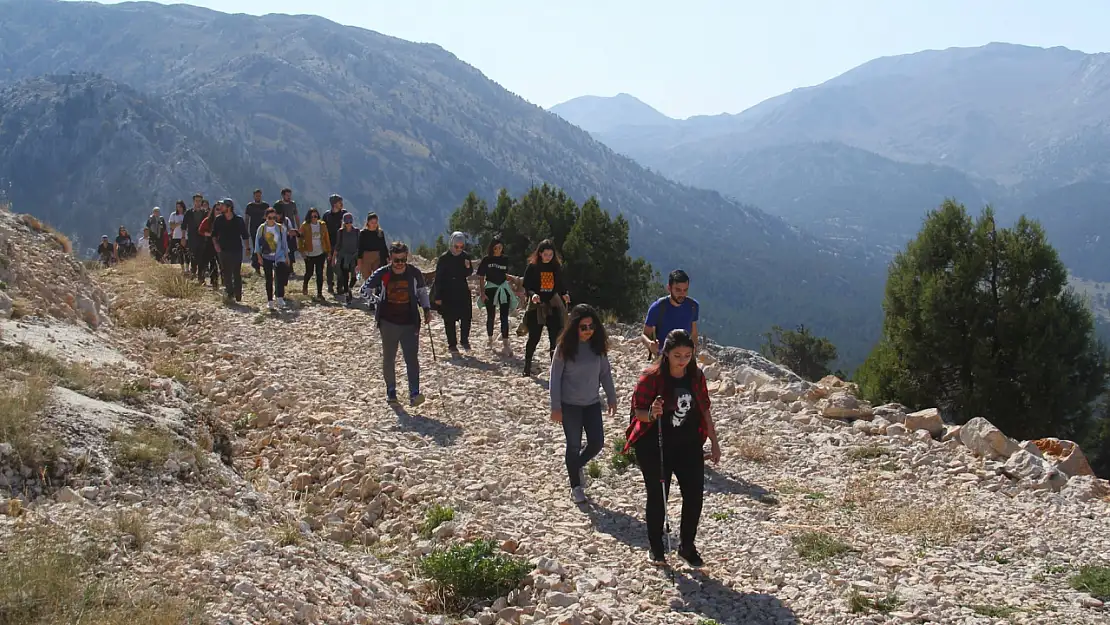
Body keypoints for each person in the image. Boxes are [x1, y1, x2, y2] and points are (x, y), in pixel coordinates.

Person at [624, 329, 721, 567]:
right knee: (658, 497)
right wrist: (651, 413)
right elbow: (638, 413)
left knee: (695, 496)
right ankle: (656, 547)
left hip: (688, 443)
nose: (683, 360)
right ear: (666, 353)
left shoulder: (696, 376)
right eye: (678, 355)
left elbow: (704, 409)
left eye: (688, 355)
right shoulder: (651, 376)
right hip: (654, 444)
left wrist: (714, 442)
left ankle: (687, 546)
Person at [550, 304, 617, 504]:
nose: (588, 331)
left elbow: (605, 373)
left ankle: (576, 465)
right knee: (573, 445)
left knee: (597, 443)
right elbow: (554, 377)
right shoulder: (564, 348)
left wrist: (611, 397)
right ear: (574, 328)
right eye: (583, 327)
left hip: (592, 403)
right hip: (569, 405)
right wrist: (555, 407)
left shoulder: (598, 347)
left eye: (591, 326)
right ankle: (575, 486)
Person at [364, 241, 431, 407]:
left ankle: (414, 393)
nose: (400, 264)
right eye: (396, 260)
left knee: (412, 359)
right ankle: (391, 391)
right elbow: (365, 289)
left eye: (403, 260)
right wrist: (378, 302)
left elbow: (422, 292)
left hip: (410, 322)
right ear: (390, 259)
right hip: (388, 323)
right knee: (389, 358)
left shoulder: (414, 273)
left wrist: (427, 309)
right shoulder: (382, 274)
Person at [521, 239, 569, 376]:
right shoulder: (532, 267)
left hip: (552, 305)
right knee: (534, 337)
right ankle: (527, 366)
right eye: (546, 254)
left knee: (554, 338)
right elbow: (526, 286)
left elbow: (560, 284)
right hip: (537, 307)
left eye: (551, 254)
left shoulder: (556, 267)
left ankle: (555, 370)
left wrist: (564, 294)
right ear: (540, 253)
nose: (548, 257)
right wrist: (533, 295)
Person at [641, 269, 699, 359]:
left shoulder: (693, 306)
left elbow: (694, 333)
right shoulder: (658, 307)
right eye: (678, 290)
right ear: (669, 288)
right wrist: (650, 344)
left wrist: (693, 353)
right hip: (664, 358)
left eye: (685, 290)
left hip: (685, 359)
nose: (682, 294)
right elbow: (644, 335)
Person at [432, 231, 474, 355]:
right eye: (457, 247)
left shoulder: (465, 256)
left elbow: (468, 273)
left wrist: (468, 268)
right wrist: (438, 296)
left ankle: (464, 340)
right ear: (451, 244)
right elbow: (438, 278)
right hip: (447, 291)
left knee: (466, 316)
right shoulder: (444, 258)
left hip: (462, 289)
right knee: (449, 319)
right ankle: (452, 344)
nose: (459, 249)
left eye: (462, 247)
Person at [477, 236, 517, 354]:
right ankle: (490, 339)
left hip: (503, 289)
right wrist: (482, 292)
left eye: (500, 247)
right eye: (496, 248)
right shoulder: (486, 260)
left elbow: (504, 274)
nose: (498, 250)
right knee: (491, 315)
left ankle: (505, 342)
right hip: (490, 289)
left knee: (504, 317)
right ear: (492, 248)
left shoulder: (505, 259)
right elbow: (481, 277)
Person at [212, 198, 250, 303]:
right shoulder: (219, 219)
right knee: (226, 272)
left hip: (236, 249)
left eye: (223, 206)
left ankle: (238, 294)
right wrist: (216, 245)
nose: (221, 207)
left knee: (236, 272)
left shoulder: (238, 220)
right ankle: (229, 293)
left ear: (229, 208)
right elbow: (214, 234)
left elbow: (245, 235)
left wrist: (247, 248)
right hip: (223, 250)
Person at [254, 206, 291, 309]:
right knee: (268, 278)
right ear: (266, 217)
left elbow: (284, 243)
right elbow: (257, 244)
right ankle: (270, 300)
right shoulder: (261, 228)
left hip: (279, 256)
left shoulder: (280, 228)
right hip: (266, 256)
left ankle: (280, 297)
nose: (272, 220)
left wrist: (287, 256)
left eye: (274, 217)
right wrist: (259, 257)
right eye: (270, 217)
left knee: (280, 277)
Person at [298, 207, 331, 299]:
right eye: (312, 216)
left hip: (320, 252)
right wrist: (302, 251)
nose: (314, 218)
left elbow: (326, 239)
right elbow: (300, 239)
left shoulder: (322, 225)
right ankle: (305, 285)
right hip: (309, 253)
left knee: (319, 273)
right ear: (309, 217)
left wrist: (328, 251)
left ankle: (319, 293)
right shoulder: (305, 226)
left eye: (315, 216)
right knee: (309, 272)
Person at [323, 194, 350, 294]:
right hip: (330, 243)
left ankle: (340, 286)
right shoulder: (327, 215)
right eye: (339, 202)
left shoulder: (344, 214)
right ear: (334, 204)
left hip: (342, 243)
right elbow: (323, 230)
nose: (341, 204)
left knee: (341, 265)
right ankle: (330, 284)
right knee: (330, 264)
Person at [332, 213, 360, 305]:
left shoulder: (356, 232)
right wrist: (333, 259)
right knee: (345, 276)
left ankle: (350, 288)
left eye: (350, 221)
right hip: (343, 257)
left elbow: (360, 245)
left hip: (354, 256)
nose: (349, 223)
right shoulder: (340, 232)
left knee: (354, 277)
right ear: (344, 222)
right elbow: (338, 245)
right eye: (347, 222)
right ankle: (348, 294)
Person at [357, 212, 389, 284]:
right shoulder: (363, 233)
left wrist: (387, 258)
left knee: (378, 275)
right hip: (366, 257)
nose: (374, 224)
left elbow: (384, 246)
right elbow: (360, 247)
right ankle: (368, 292)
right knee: (367, 278)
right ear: (368, 222)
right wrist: (359, 261)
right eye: (372, 222)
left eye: (375, 222)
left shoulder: (380, 233)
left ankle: (377, 292)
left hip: (377, 257)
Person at [273, 187, 299, 273]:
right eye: (287, 195)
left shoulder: (292, 204)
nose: (289, 197)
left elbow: (296, 215)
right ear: (283, 195)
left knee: (290, 248)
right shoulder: (278, 204)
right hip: (280, 227)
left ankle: (290, 267)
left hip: (290, 227)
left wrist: (298, 228)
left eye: (290, 195)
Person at [245, 188, 270, 275]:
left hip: (264, 229)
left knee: (265, 247)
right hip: (253, 229)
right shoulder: (250, 206)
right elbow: (247, 218)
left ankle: (265, 264)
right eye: (256, 195)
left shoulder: (265, 206)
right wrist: (245, 229)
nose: (258, 197)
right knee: (256, 247)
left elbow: (270, 217)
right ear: (254, 196)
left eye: (259, 195)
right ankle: (256, 266)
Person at [196, 200, 220, 289]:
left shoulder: (223, 220)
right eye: (217, 209)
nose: (219, 211)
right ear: (213, 210)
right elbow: (200, 230)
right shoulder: (208, 220)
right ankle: (201, 279)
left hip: (220, 243)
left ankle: (215, 282)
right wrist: (208, 234)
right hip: (209, 243)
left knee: (217, 264)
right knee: (203, 262)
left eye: (220, 210)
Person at [183, 194, 205, 277]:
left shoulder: (205, 213)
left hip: (202, 238)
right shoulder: (189, 213)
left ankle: (201, 276)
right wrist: (183, 237)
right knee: (193, 257)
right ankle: (193, 273)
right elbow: (184, 226)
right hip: (192, 238)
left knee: (201, 257)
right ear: (193, 201)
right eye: (196, 201)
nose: (198, 202)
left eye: (199, 201)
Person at [167, 201, 188, 269]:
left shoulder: (186, 214)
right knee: (179, 252)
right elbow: (171, 226)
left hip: (186, 236)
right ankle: (182, 268)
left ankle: (187, 268)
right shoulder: (173, 215)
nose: (179, 208)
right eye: (177, 207)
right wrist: (178, 223)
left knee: (187, 252)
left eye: (180, 207)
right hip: (176, 236)